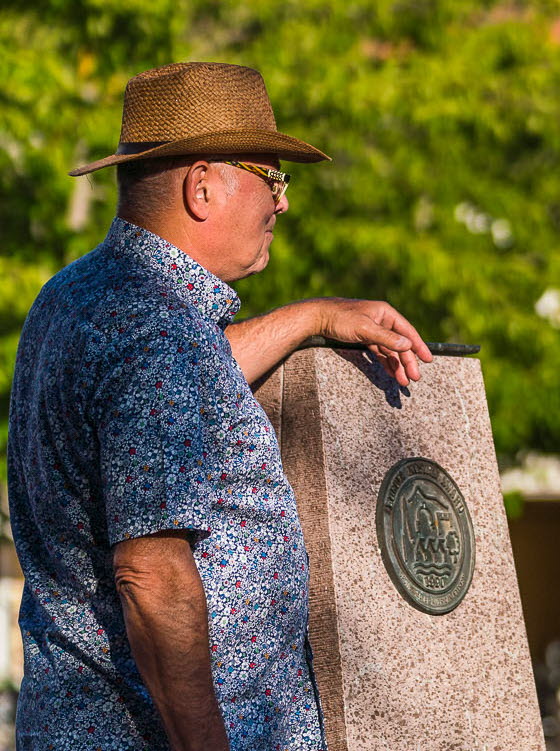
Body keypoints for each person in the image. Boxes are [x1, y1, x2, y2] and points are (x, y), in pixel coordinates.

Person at [6, 62, 434, 750]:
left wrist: (313, 315)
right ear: (203, 186)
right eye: (273, 179)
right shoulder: (154, 329)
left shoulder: (82, 296)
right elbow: (151, 575)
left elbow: (175, 397)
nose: (282, 204)